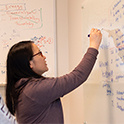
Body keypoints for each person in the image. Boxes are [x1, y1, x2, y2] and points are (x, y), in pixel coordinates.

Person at [6, 28, 102, 124]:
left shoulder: (25, 88)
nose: (44, 57)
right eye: (39, 53)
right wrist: (93, 46)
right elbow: (77, 76)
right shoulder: (35, 90)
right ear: (30, 63)